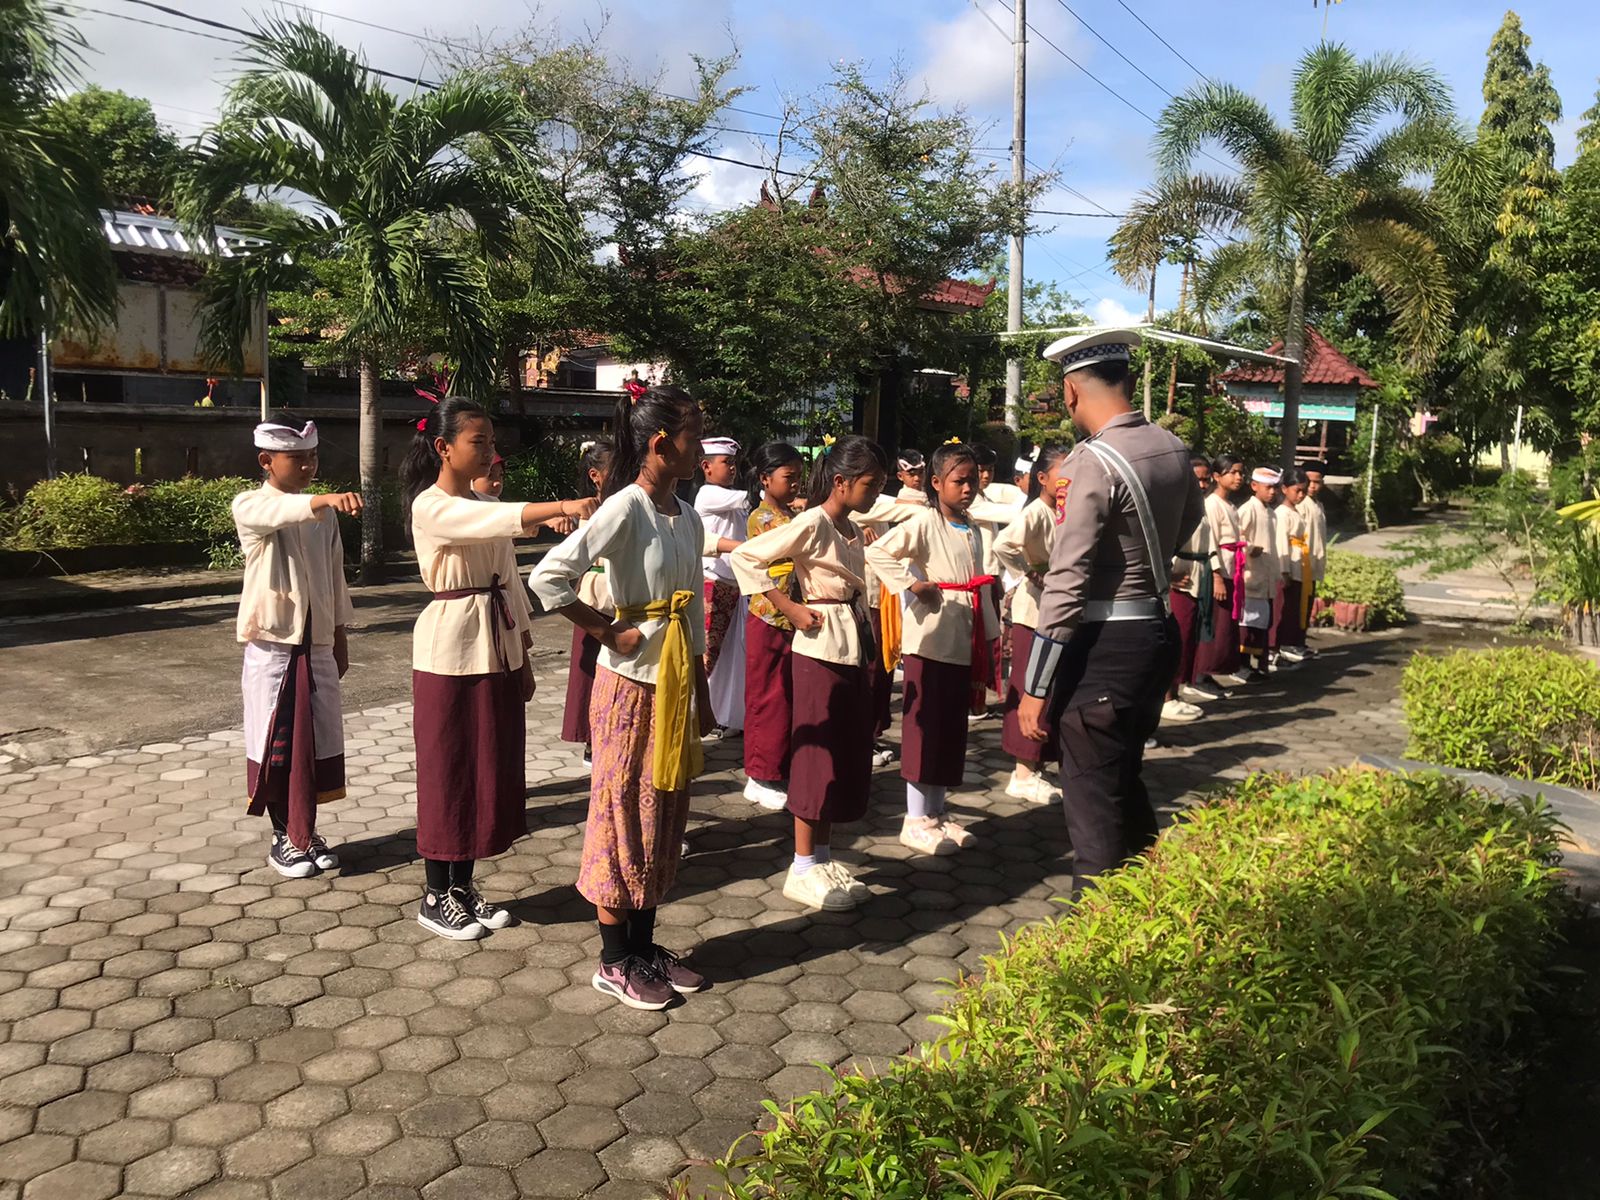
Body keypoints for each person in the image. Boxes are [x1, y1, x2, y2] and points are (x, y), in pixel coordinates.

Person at [529, 385, 713, 1011]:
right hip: (630, 687)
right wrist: (607, 627)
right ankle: (613, 959)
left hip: (676, 684)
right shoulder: (625, 507)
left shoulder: (685, 515)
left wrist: (702, 691)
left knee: (663, 816)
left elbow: (694, 610)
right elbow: (548, 576)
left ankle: (644, 944)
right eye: (694, 437)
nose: (702, 448)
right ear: (662, 444)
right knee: (620, 813)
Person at [1015, 329, 1204, 897]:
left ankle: (1093, 947)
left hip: (1104, 646)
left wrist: (1035, 686)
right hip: (1157, 632)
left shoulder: (1090, 463)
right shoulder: (1171, 447)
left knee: (1093, 803)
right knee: (1122, 776)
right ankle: (1151, 909)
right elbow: (1192, 522)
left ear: (1071, 391)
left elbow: (1068, 579)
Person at [404, 398, 597, 941]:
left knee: (486, 766)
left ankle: (462, 887)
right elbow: (489, 518)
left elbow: (509, 578)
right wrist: (560, 504)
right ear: (443, 448)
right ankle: (434, 893)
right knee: (449, 768)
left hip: (496, 643)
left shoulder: (476, 503)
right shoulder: (432, 505)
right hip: (451, 649)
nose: (489, 452)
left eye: (491, 442)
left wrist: (526, 652)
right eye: (478, 442)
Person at [732, 435, 888, 911]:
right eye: (870, 483)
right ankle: (801, 865)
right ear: (840, 482)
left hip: (851, 642)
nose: (876, 493)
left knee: (843, 752)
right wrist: (788, 606)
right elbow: (745, 556)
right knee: (816, 755)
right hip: (820, 645)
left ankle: (821, 857)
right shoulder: (813, 522)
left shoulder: (851, 528)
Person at [233, 420, 360, 878]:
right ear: (267, 461)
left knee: (319, 742)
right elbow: (278, 514)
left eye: (313, 457)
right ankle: (283, 835)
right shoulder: (251, 505)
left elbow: (335, 576)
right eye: (297, 458)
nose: (308, 466)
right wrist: (322, 500)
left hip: (317, 644)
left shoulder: (321, 516)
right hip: (274, 647)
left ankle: (306, 831)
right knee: (278, 742)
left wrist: (339, 636)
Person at [865, 440, 997, 856]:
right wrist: (911, 584)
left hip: (962, 634)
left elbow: (980, 581)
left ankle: (937, 812)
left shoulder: (973, 526)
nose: (968, 488)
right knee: (925, 726)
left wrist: (990, 630)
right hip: (931, 639)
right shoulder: (924, 523)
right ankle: (915, 817)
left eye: (973, 480)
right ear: (936, 483)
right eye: (959, 481)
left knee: (951, 727)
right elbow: (878, 551)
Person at [991, 443, 1071, 803]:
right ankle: (1023, 771)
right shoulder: (1037, 512)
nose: (1069, 481)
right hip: (1033, 612)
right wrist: (1029, 572)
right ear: (1042, 478)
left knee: (1049, 687)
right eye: (1062, 474)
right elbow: (1003, 545)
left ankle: (1037, 765)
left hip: (1054, 611)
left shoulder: (1062, 513)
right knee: (1029, 685)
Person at [742, 443, 807, 811]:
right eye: (789, 477)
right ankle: (759, 773)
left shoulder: (790, 513)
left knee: (787, 696)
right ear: (765, 479)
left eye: (799, 477)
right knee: (768, 697)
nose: (796, 484)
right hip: (770, 614)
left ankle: (778, 766)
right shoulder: (763, 518)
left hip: (792, 616)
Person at [561, 440, 615, 765]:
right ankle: (591, 737)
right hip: (594, 594)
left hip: (621, 595)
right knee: (589, 671)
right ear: (596, 475)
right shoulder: (589, 508)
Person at [694, 437, 749, 739]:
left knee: (730, 656)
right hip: (712, 584)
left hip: (733, 584)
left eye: (733, 463)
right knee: (708, 655)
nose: (732, 468)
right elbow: (750, 499)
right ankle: (698, 714)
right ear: (706, 466)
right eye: (726, 463)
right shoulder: (708, 494)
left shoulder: (728, 497)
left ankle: (723, 714)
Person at [1164, 454, 1219, 721]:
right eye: (1197, 479)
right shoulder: (1175, 507)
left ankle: (1176, 692)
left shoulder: (1203, 507)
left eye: (1206, 479)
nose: (1202, 484)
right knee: (1177, 639)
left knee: (1189, 638)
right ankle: (1166, 696)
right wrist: (1170, 574)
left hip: (1199, 576)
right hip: (1180, 578)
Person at [1195, 455, 1250, 691]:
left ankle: (1210, 672)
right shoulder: (1211, 504)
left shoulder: (1231, 505)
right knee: (1214, 623)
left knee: (1226, 625)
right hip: (1219, 571)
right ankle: (1200, 674)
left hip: (1232, 570)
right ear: (1217, 477)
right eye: (1232, 472)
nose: (1238, 477)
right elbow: (1211, 543)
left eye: (1240, 472)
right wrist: (1216, 575)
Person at [1236, 467, 1283, 676]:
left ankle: (1257, 664)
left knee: (1260, 624)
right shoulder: (1248, 510)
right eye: (1268, 488)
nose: (1272, 492)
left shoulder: (1272, 514)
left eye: (1275, 488)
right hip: (1251, 577)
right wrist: (1249, 548)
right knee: (1247, 624)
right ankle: (1242, 666)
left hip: (1265, 579)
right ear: (1254, 486)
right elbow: (1237, 538)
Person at [1272, 467, 1312, 665]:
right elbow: (1280, 543)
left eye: (1304, 491)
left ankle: (1290, 642)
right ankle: (1278, 646)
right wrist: (1284, 569)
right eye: (1297, 490)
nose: (1301, 495)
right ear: (1284, 489)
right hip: (1289, 564)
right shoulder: (1281, 514)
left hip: (1299, 563)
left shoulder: (1296, 511)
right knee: (1284, 608)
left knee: (1294, 607)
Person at [1301, 461, 1329, 653]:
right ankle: (1293, 642)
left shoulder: (1318, 505)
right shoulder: (1300, 504)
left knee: (1308, 604)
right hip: (1302, 563)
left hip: (1314, 562)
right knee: (1299, 605)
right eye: (1308, 481)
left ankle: (1300, 641)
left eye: (1316, 482)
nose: (1312, 486)